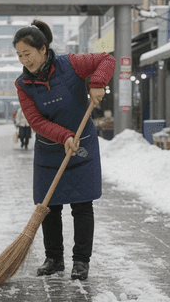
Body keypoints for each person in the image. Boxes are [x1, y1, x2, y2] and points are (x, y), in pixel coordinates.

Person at [13, 20, 116, 280]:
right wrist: (63, 136)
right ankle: (54, 258)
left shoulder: (70, 64)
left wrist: (98, 82)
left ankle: (81, 261)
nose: (25, 60)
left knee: (82, 205)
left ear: (43, 49)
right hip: (50, 148)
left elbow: (106, 59)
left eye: (28, 53)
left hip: (82, 144)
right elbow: (35, 121)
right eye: (20, 56)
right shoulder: (23, 84)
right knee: (49, 205)